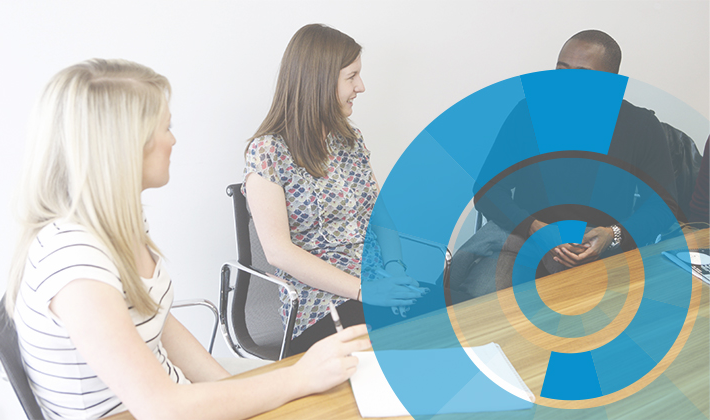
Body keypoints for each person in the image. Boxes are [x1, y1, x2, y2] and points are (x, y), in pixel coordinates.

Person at [5, 58, 370, 420]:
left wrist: (234, 389)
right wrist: (297, 378)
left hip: (177, 396)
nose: (173, 139)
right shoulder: (75, 263)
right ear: (125, 145)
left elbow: (158, 322)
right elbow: (163, 408)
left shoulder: (115, 225)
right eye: (165, 127)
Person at [448, 30, 679, 302]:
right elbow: (487, 190)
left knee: (613, 317)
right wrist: (533, 227)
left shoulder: (641, 126)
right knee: (480, 303)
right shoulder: (528, 113)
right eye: (561, 70)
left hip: (600, 248)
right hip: (526, 238)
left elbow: (664, 206)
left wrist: (613, 234)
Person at [243, 24, 427, 356]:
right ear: (320, 80)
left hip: (374, 282)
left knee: (454, 311)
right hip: (318, 303)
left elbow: (381, 216)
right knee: (404, 342)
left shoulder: (349, 140)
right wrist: (364, 291)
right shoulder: (268, 152)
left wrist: (395, 271)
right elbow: (278, 252)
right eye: (351, 76)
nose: (361, 87)